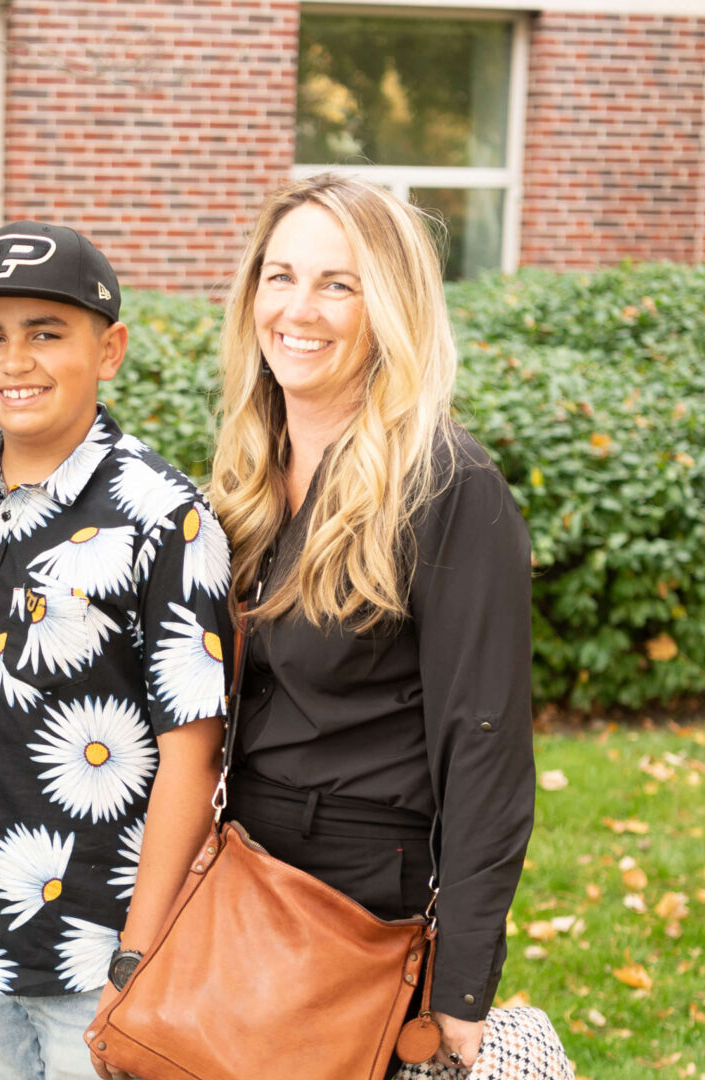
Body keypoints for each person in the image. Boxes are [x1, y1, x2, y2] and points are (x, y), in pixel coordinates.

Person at [207, 173, 535, 1072]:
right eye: (279, 277)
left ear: (387, 303)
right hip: (236, 870)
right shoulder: (244, 477)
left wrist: (462, 983)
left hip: (362, 899)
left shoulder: (450, 488)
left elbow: (487, 747)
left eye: (336, 283)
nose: (297, 308)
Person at [0, 222, 231, 1080]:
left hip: (99, 953)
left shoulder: (166, 516)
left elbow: (192, 753)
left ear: (110, 349)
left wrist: (139, 951)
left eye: (46, 333)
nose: (14, 361)